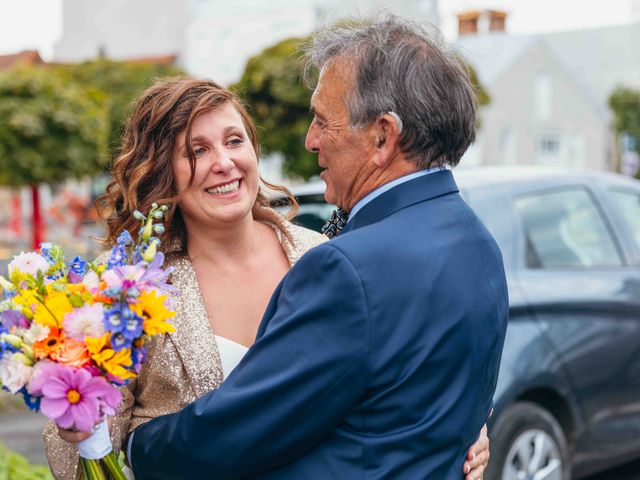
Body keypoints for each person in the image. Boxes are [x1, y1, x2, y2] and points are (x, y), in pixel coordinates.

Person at [43, 76, 490, 479]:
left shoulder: (326, 257)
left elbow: (402, 372)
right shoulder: (127, 293)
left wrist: (468, 426)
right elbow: (87, 455)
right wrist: (74, 429)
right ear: (163, 170)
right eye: (197, 151)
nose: (224, 162)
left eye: (234, 141)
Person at [127, 14, 508, 480]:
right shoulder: (479, 241)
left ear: (383, 138)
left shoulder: (341, 266)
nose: (310, 141)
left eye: (323, 122)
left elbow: (247, 427)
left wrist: (133, 450)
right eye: (197, 150)